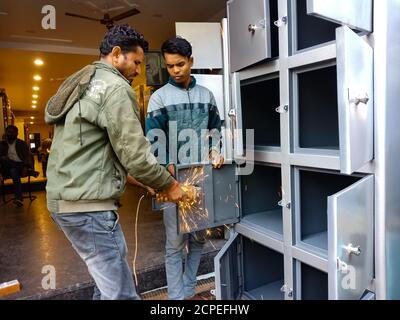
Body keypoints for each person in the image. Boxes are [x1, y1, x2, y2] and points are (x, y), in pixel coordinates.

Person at [44, 25, 186, 300]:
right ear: (117, 54)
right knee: (121, 294)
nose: (137, 71)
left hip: (68, 202)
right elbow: (135, 155)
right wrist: (169, 185)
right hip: (88, 207)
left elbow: (107, 155)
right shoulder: (116, 88)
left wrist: (146, 183)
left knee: (107, 277)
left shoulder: (84, 80)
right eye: (136, 62)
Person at [145, 37, 224, 300]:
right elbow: (155, 137)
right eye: (170, 66)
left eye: (180, 64)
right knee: (175, 245)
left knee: (200, 238)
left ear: (191, 61)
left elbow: (215, 128)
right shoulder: (158, 98)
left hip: (202, 178)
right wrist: (168, 168)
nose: (175, 70)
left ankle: (189, 290)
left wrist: (215, 150)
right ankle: (177, 299)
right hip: (173, 180)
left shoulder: (207, 95)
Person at [0, 125, 36, 207]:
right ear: (6, 133)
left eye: (13, 132)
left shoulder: (22, 143)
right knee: (3, 159)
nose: (10, 134)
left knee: (13, 171)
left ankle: (19, 199)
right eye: (9, 132)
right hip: (7, 167)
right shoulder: (2, 144)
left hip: (21, 166)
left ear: (17, 133)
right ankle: (19, 198)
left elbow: (27, 156)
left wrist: (26, 167)